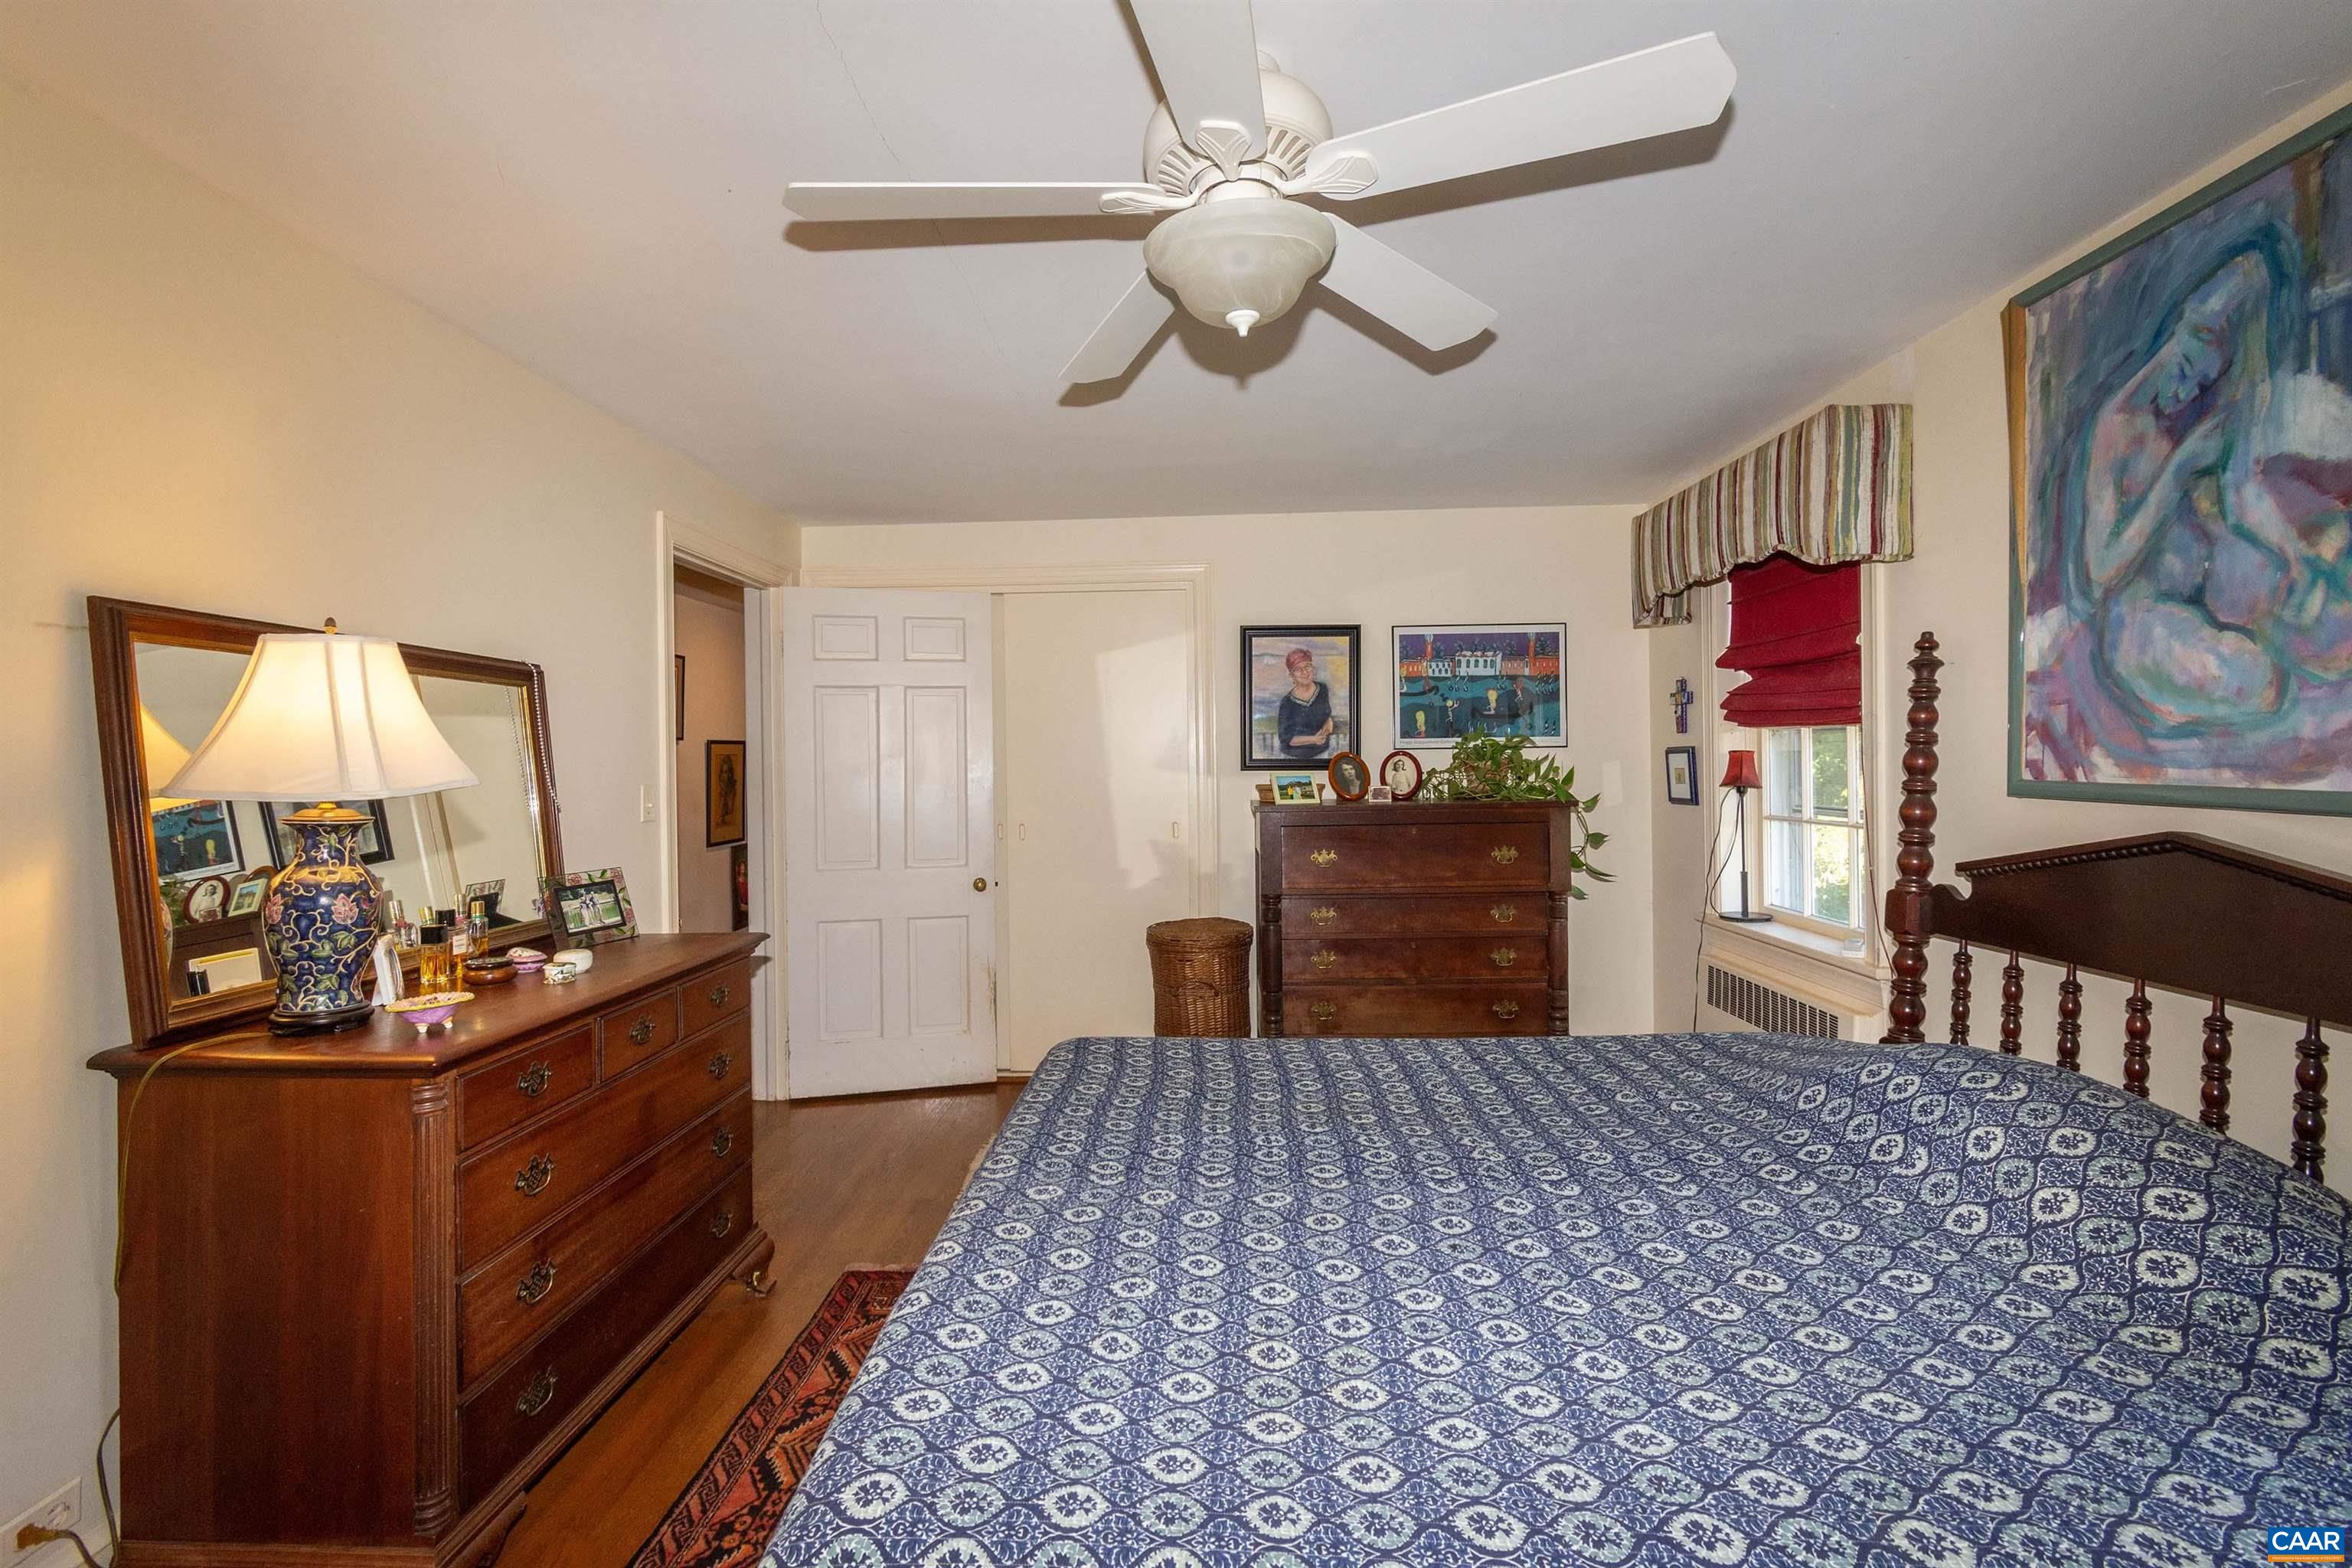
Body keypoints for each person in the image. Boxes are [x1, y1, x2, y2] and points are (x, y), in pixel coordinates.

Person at [1276, 647, 1334, 760]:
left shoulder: (1322, 689)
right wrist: (1314, 739)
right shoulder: (1287, 703)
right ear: (1292, 675)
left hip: (1322, 753)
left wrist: (1326, 728)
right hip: (1293, 758)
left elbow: (1327, 717)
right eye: (1298, 669)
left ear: (1313, 668)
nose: (1304, 672)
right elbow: (1286, 739)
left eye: (1307, 666)